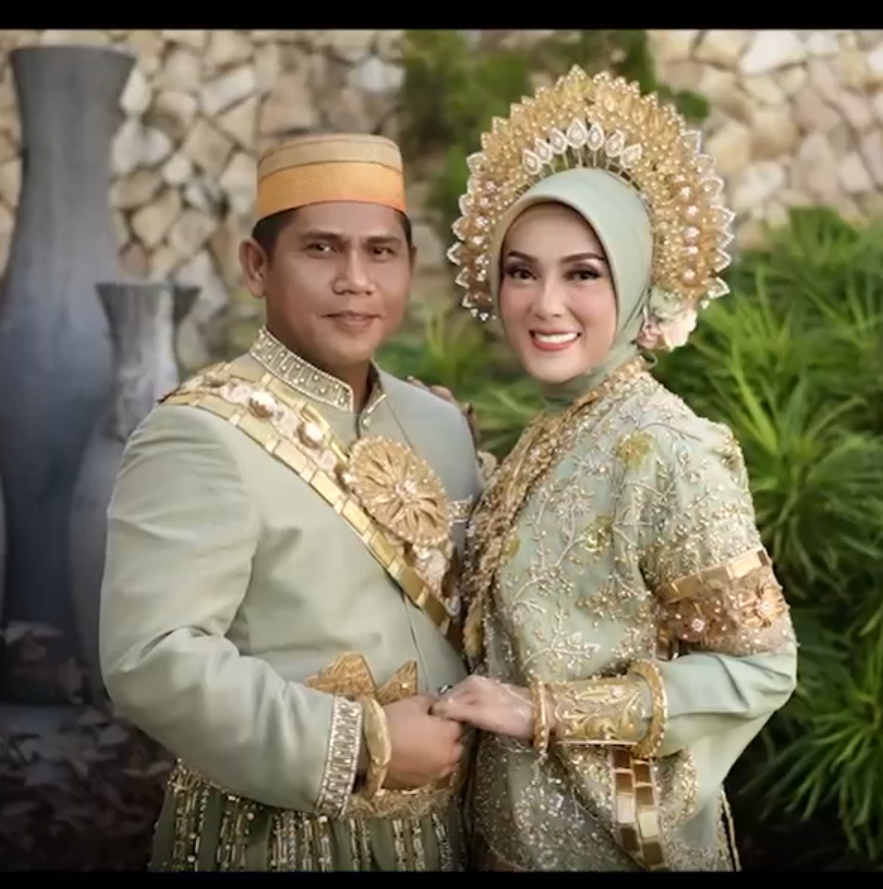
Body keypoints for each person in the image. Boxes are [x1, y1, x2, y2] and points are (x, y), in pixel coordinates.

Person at [431, 67, 799, 871]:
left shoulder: (668, 449)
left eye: (582, 273)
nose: (544, 302)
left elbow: (761, 668)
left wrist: (539, 710)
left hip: (619, 846)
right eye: (521, 270)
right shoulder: (552, 430)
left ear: (636, 284)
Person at [99, 133, 487, 872]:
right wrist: (362, 742)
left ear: (409, 266)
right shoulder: (201, 432)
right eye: (321, 249)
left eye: (380, 252)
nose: (355, 280)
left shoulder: (438, 425)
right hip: (274, 839)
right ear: (257, 265)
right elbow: (152, 656)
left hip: (444, 837)